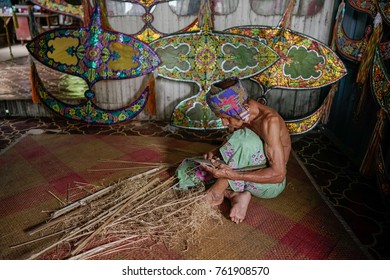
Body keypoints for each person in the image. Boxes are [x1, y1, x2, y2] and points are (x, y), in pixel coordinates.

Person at [175, 77, 291, 224]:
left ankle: (217, 192)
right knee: (188, 170)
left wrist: (233, 176)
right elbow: (235, 148)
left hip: (269, 184)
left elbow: (278, 175)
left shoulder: (269, 122)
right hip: (241, 173)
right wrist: (216, 152)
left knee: (244, 138)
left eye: (225, 118)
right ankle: (235, 194)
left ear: (240, 110)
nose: (224, 123)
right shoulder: (243, 115)